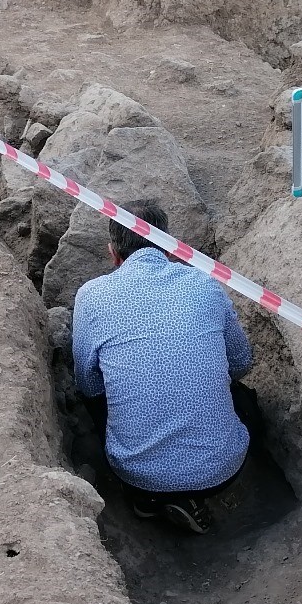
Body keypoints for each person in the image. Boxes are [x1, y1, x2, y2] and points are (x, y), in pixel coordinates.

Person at [72, 200, 257, 534]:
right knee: (244, 399)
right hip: (224, 469)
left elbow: (88, 385)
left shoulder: (92, 296)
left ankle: (147, 501)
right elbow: (242, 361)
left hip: (139, 476)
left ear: (113, 253)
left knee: (99, 401)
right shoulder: (204, 284)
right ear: (170, 248)